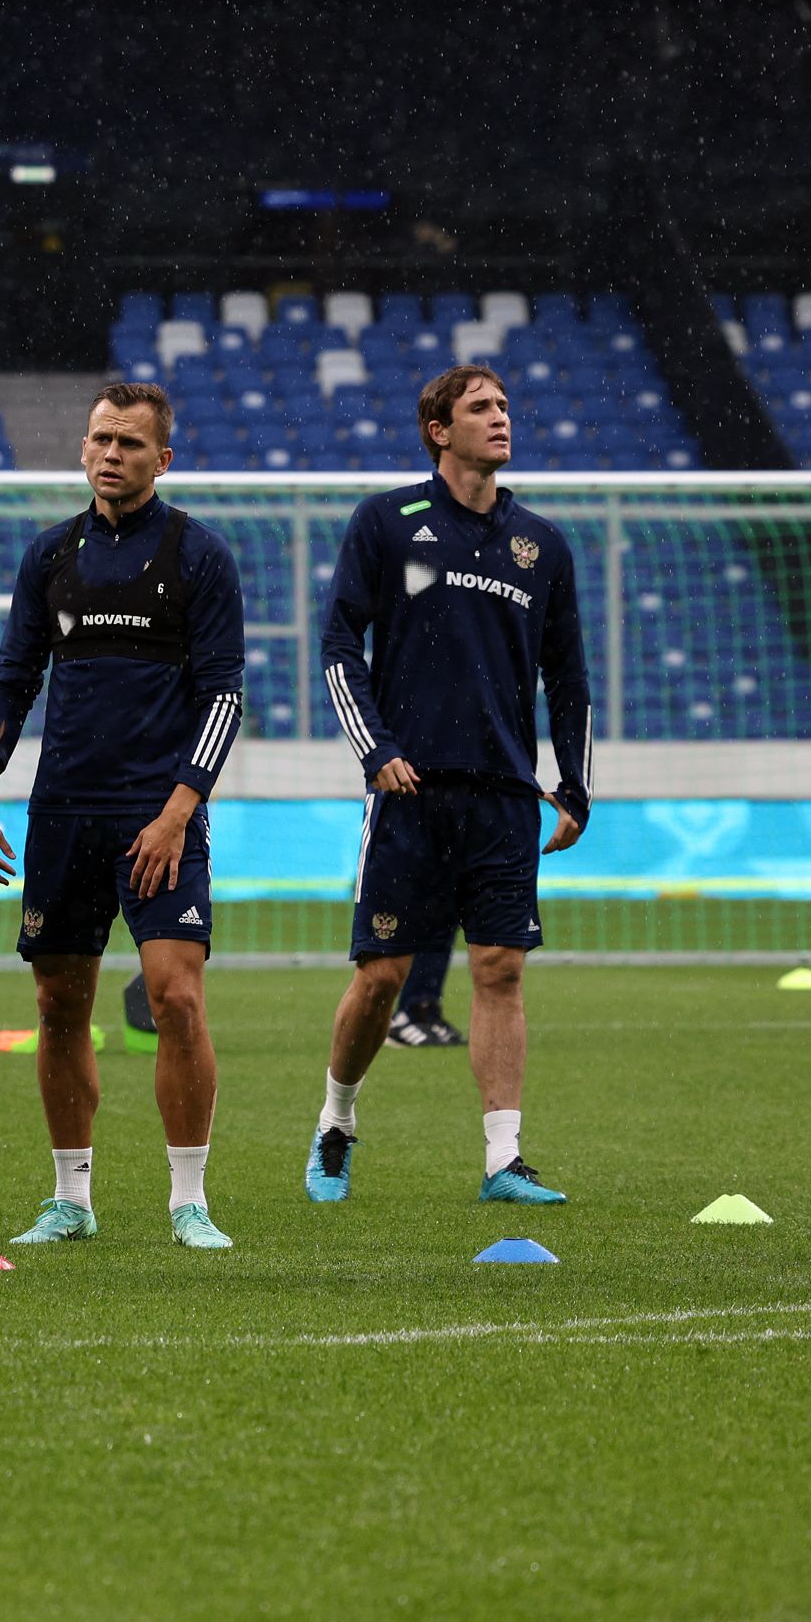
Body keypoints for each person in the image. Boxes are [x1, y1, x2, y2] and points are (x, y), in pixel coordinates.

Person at [0, 380, 247, 1250]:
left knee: (176, 999)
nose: (109, 453)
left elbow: (224, 695)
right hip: (65, 813)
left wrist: (177, 811)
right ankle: (71, 1197)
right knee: (58, 1004)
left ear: (164, 458)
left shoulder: (200, 555)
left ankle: (188, 1199)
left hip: (158, 814)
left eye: (128, 442)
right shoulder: (50, 556)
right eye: (98, 439)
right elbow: (13, 680)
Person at [305, 364, 592, 1207]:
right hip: (408, 789)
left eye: (504, 405)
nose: (501, 418)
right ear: (439, 429)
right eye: (480, 408)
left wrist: (574, 785)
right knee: (383, 976)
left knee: (500, 968)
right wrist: (374, 750)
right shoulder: (388, 522)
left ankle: (504, 1158)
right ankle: (336, 1121)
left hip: (505, 793)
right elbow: (336, 645)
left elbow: (568, 679)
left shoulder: (541, 543)